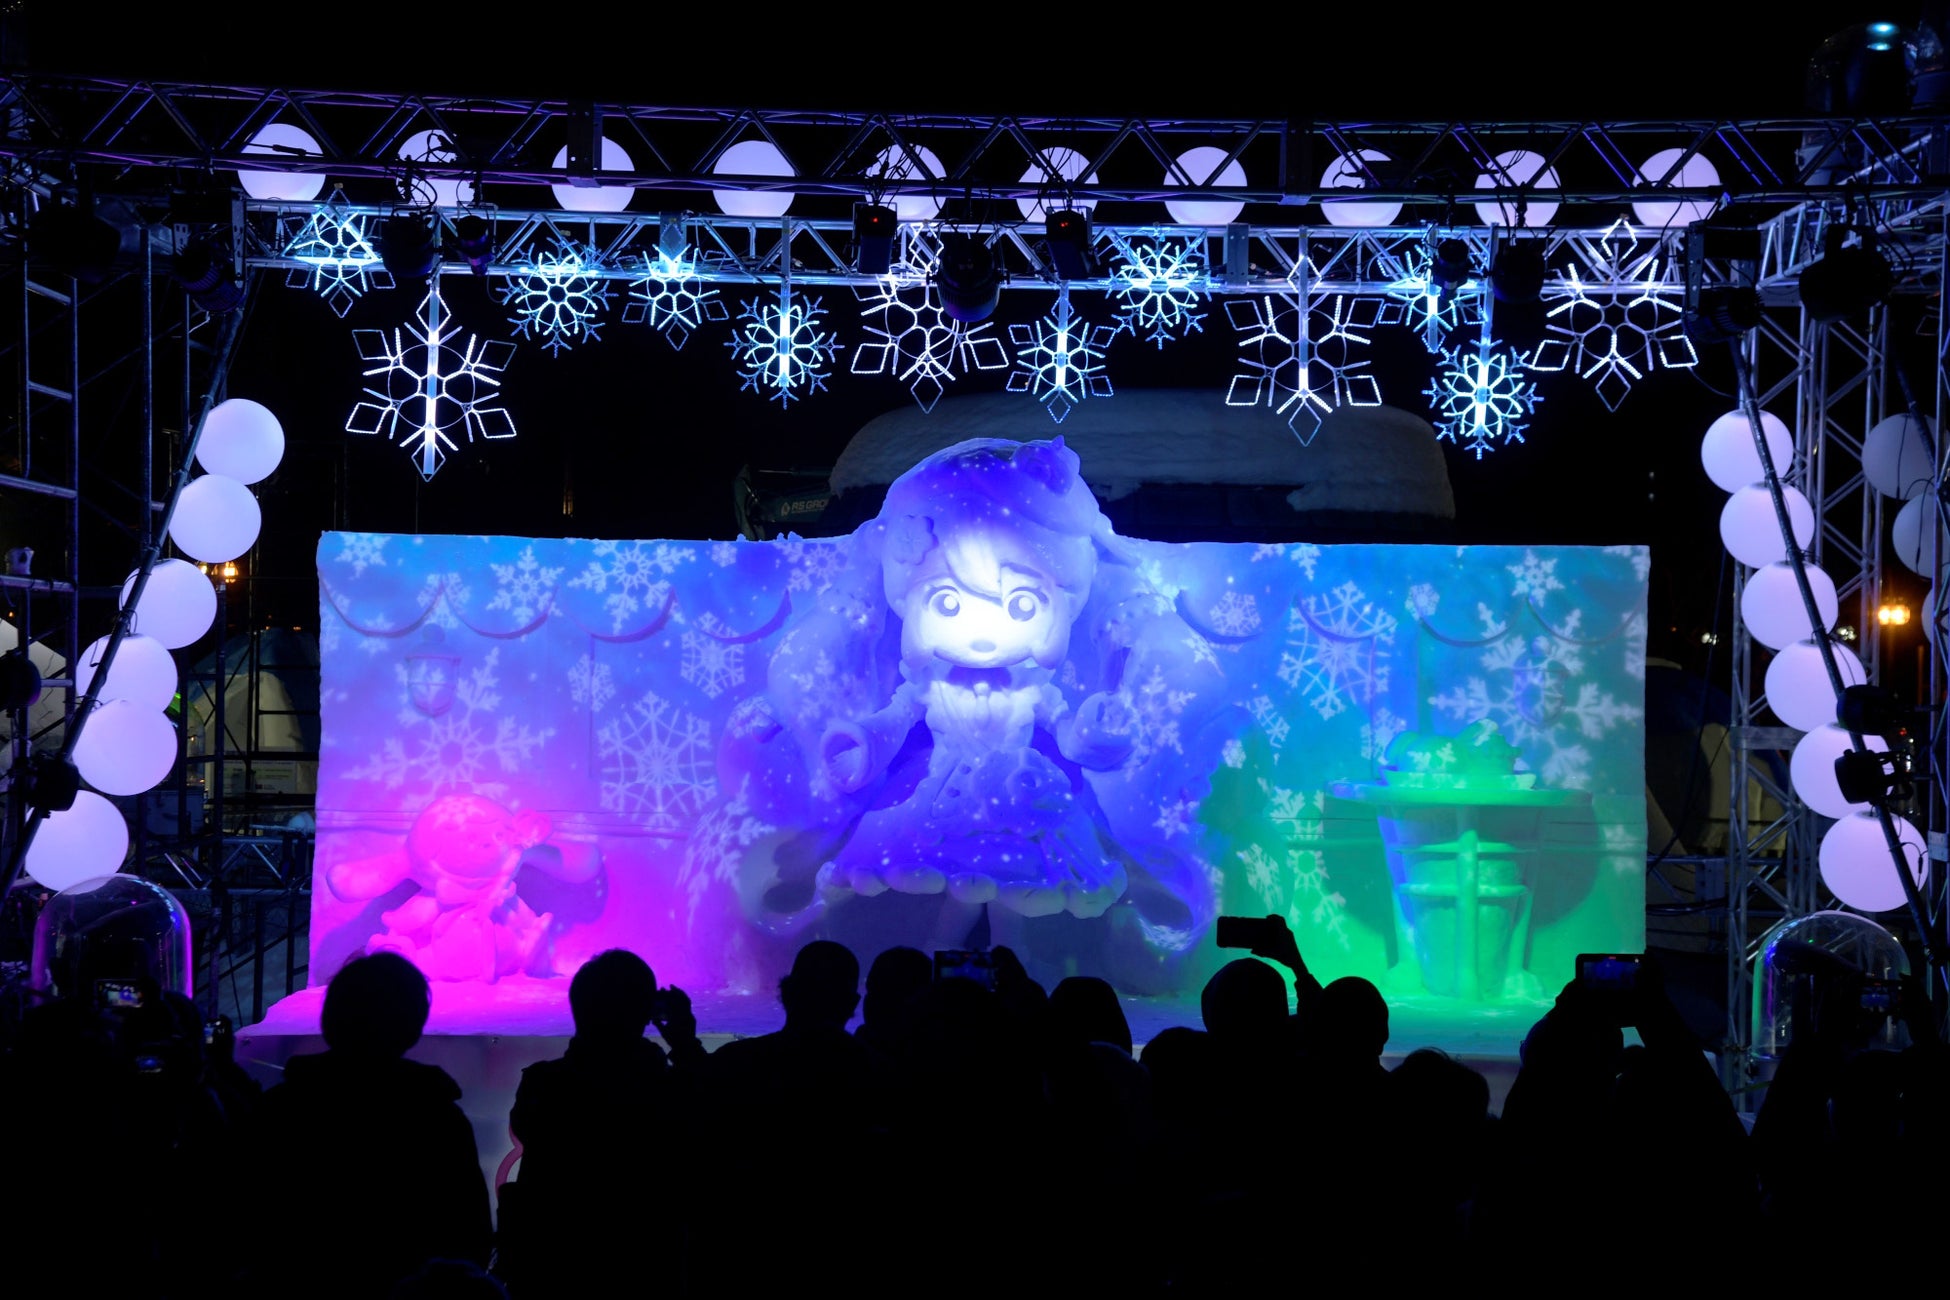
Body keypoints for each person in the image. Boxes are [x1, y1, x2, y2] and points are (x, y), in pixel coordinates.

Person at [241, 952, 491, 1298]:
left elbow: (244, 1221)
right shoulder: (436, 1120)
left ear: (331, 1017)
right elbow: (468, 1235)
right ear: (413, 1025)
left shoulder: (279, 1111)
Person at [497, 949, 704, 1297]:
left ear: (579, 1007)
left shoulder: (542, 1084)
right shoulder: (668, 1089)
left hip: (551, 1277)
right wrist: (685, 1045)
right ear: (647, 1011)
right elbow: (711, 1118)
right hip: (648, 1274)